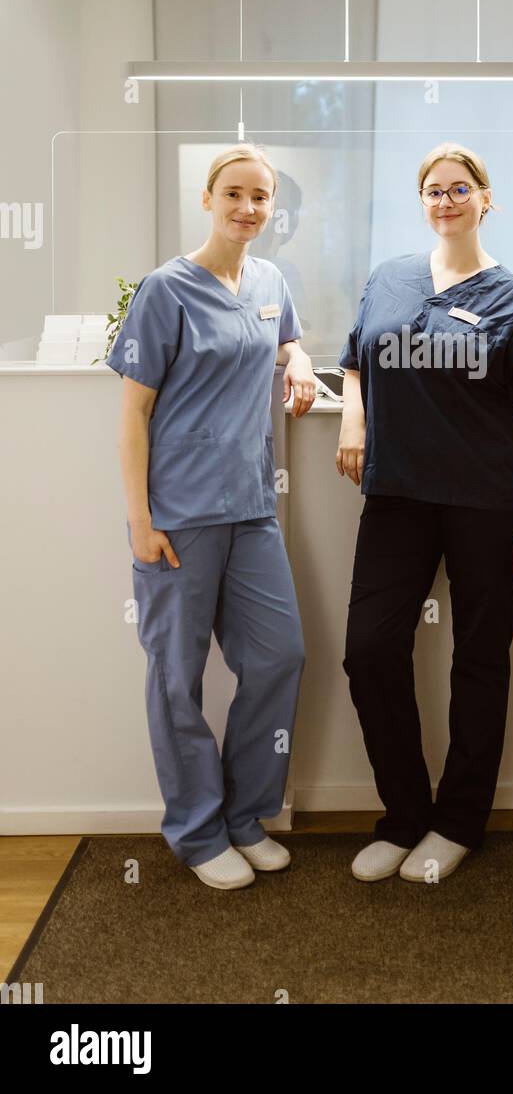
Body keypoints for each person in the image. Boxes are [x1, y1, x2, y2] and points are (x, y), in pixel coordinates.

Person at [336, 142, 513, 883]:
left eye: (459, 188)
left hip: (486, 504)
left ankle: (458, 821)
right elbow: (355, 360)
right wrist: (352, 420)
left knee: (479, 662)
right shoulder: (390, 278)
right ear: (422, 202)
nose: (445, 200)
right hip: (397, 496)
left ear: (485, 199)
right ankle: (403, 817)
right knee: (369, 651)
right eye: (433, 190)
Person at [106, 143, 316, 891]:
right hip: (179, 515)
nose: (248, 208)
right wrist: (140, 518)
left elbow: (283, 336)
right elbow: (133, 412)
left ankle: (246, 814)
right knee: (177, 677)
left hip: (251, 506)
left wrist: (296, 358)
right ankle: (196, 832)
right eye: (234, 194)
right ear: (208, 199)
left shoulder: (268, 280)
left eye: (260, 197)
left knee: (279, 656)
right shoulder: (166, 291)